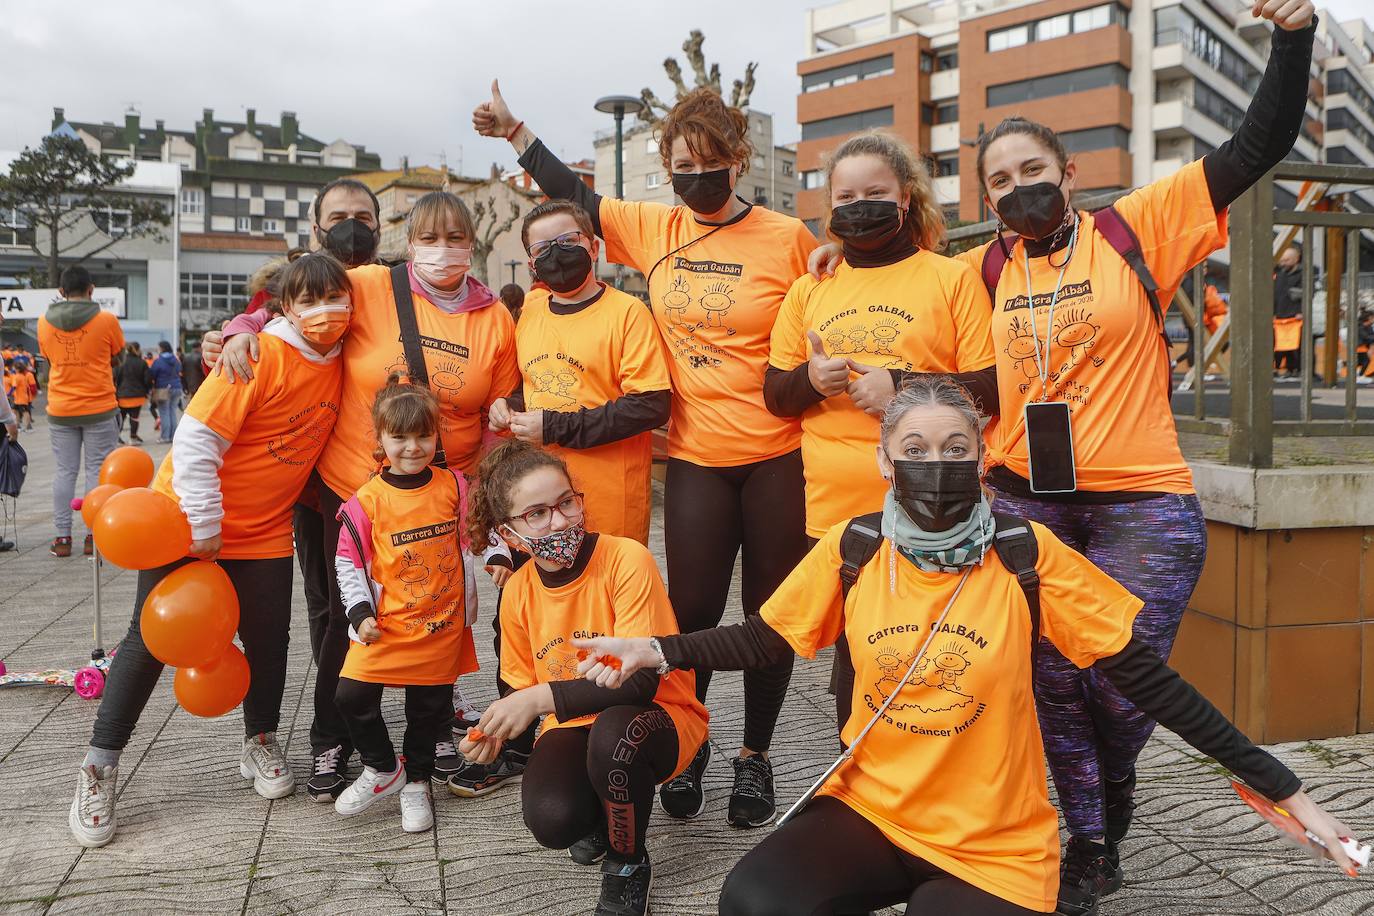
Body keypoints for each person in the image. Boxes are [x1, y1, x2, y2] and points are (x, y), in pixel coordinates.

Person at [573, 377, 1357, 916]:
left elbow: (1148, 680)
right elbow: (764, 638)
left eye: (956, 451)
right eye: (916, 448)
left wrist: (1285, 791)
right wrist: (658, 649)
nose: (936, 466)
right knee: (752, 901)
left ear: (981, 459)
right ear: (884, 459)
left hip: (993, 837)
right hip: (875, 809)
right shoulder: (855, 546)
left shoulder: (1025, 554)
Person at [476, 81, 816, 827]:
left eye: (710, 161)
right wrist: (515, 131)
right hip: (695, 455)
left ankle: (753, 757)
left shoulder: (787, 237)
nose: (696, 176)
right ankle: (687, 744)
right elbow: (573, 196)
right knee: (686, 614)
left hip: (778, 456)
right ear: (667, 170)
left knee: (770, 616)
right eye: (681, 164)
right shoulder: (656, 227)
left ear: (738, 159)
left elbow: (837, 298)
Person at [210, 189, 518, 803]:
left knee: (432, 609)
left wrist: (479, 500)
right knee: (348, 622)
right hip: (351, 488)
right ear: (408, 241)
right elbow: (297, 300)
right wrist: (242, 328)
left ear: (474, 244)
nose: (442, 251)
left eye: (456, 238)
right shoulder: (374, 283)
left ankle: (423, 743)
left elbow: (499, 416)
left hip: (441, 495)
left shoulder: (493, 318)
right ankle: (335, 739)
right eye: (428, 239)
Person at [68, 252, 348, 849]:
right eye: (309, 300)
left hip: (265, 529)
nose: (326, 311)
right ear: (286, 308)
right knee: (149, 641)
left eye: (336, 297)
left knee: (271, 640)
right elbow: (195, 439)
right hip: (189, 518)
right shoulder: (261, 355)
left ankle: (260, 743)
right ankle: (98, 766)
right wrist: (203, 523)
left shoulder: (341, 359)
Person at [459, 440, 708, 916]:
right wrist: (493, 733)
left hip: (657, 713)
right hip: (573, 724)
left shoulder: (626, 559)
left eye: (566, 502)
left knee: (617, 737)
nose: (559, 521)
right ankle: (608, 803)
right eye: (537, 514)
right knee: (553, 820)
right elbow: (518, 687)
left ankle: (627, 864)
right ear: (509, 534)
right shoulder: (517, 593)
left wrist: (537, 699)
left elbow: (639, 683)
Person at [200, 179, 388, 794]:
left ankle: (377, 713)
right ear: (315, 227)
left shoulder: (388, 286)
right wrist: (233, 334)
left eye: (364, 217)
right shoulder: (291, 289)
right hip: (311, 490)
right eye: (339, 218)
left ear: (380, 227)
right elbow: (260, 316)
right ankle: (333, 729)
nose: (352, 228)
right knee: (331, 607)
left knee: (388, 601)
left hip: (383, 479)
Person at [332, 376, 479, 833]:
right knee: (351, 696)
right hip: (386, 627)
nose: (412, 447)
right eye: (399, 436)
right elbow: (347, 562)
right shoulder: (366, 501)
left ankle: (416, 782)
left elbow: (476, 536)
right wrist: (360, 613)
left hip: (440, 626)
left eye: (423, 435)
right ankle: (381, 767)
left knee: (427, 711)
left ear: (436, 435)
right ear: (379, 439)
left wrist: (495, 557)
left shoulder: (454, 485)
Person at [490, 200, 671, 544]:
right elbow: (531, 385)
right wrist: (508, 407)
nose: (556, 254)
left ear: (594, 246)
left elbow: (651, 405)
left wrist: (555, 426)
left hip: (610, 501)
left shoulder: (628, 313)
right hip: (540, 503)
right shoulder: (530, 310)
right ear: (532, 264)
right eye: (543, 249)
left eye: (568, 242)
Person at [37, 264, 124, 558]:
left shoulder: (43, 322)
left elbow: (49, 358)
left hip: (60, 408)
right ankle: (93, 536)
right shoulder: (107, 319)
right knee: (97, 470)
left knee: (64, 472)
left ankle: (62, 538)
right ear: (91, 289)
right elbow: (117, 355)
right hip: (99, 406)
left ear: (61, 292)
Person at [1273, 244, 1303, 379]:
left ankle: (1296, 368)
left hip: (1295, 316)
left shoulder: (1302, 275)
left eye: (1287, 260)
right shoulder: (1279, 275)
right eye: (1282, 260)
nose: (1283, 263)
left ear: (1296, 259)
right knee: (1279, 345)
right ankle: (1281, 368)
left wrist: (1301, 311)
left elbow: (1307, 294)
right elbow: (1274, 295)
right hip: (1280, 315)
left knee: (1296, 346)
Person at [114, 343, 152, 444]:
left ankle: (117, 437)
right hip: (138, 395)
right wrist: (147, 390)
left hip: (122, 395)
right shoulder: (142, 362)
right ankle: (133, 437)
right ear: (138, 350)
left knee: (121, 417)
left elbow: (115, 378)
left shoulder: (121, 362)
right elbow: (148, 379)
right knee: (135, 417)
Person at [148, 341, 183, 443]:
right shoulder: (176, 360)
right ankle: (173, 436)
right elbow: (179, 370)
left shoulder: (158, 361)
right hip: (177, 387)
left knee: (164, 413)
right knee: (172, 412)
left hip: (163, 388)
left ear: (162, 348)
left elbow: (153, 374)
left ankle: (165, 437)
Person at [8, 357, 34, 432]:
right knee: (15, 410)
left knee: (25, 412)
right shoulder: (23, 376)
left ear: (18, 369)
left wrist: (8, 394)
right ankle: (18, 425)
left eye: (15, 367)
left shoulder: (17, 376)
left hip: (21, 398)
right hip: (19, 398)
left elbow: (14, 387)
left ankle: (28, 427)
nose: (13, 368)